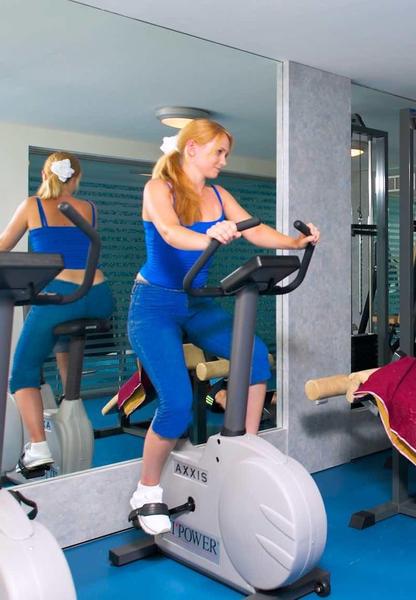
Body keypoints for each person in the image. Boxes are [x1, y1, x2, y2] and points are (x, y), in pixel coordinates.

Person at [127, 119, 320, 535]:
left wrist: (295, 242)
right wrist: (211, 237)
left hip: (196, 302)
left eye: (226, 153)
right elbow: (170, 231)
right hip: (154, 306)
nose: (224, 160)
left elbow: (256, 230)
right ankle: (146, 491)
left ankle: (243, 450)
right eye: (218, 152)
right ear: (192, 149)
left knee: (255, 356)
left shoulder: (218, 194)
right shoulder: (159, 189)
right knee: (176, 403)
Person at [0, 151, 114, 473]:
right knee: (64, 336)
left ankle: (38, 447)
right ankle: (71, 403)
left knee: (21, 373)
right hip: (100, 294)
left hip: (64, 295)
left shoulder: (32, 205)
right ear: (75, 178)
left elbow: (3, 246)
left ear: (44, 175)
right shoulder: (89, 209)